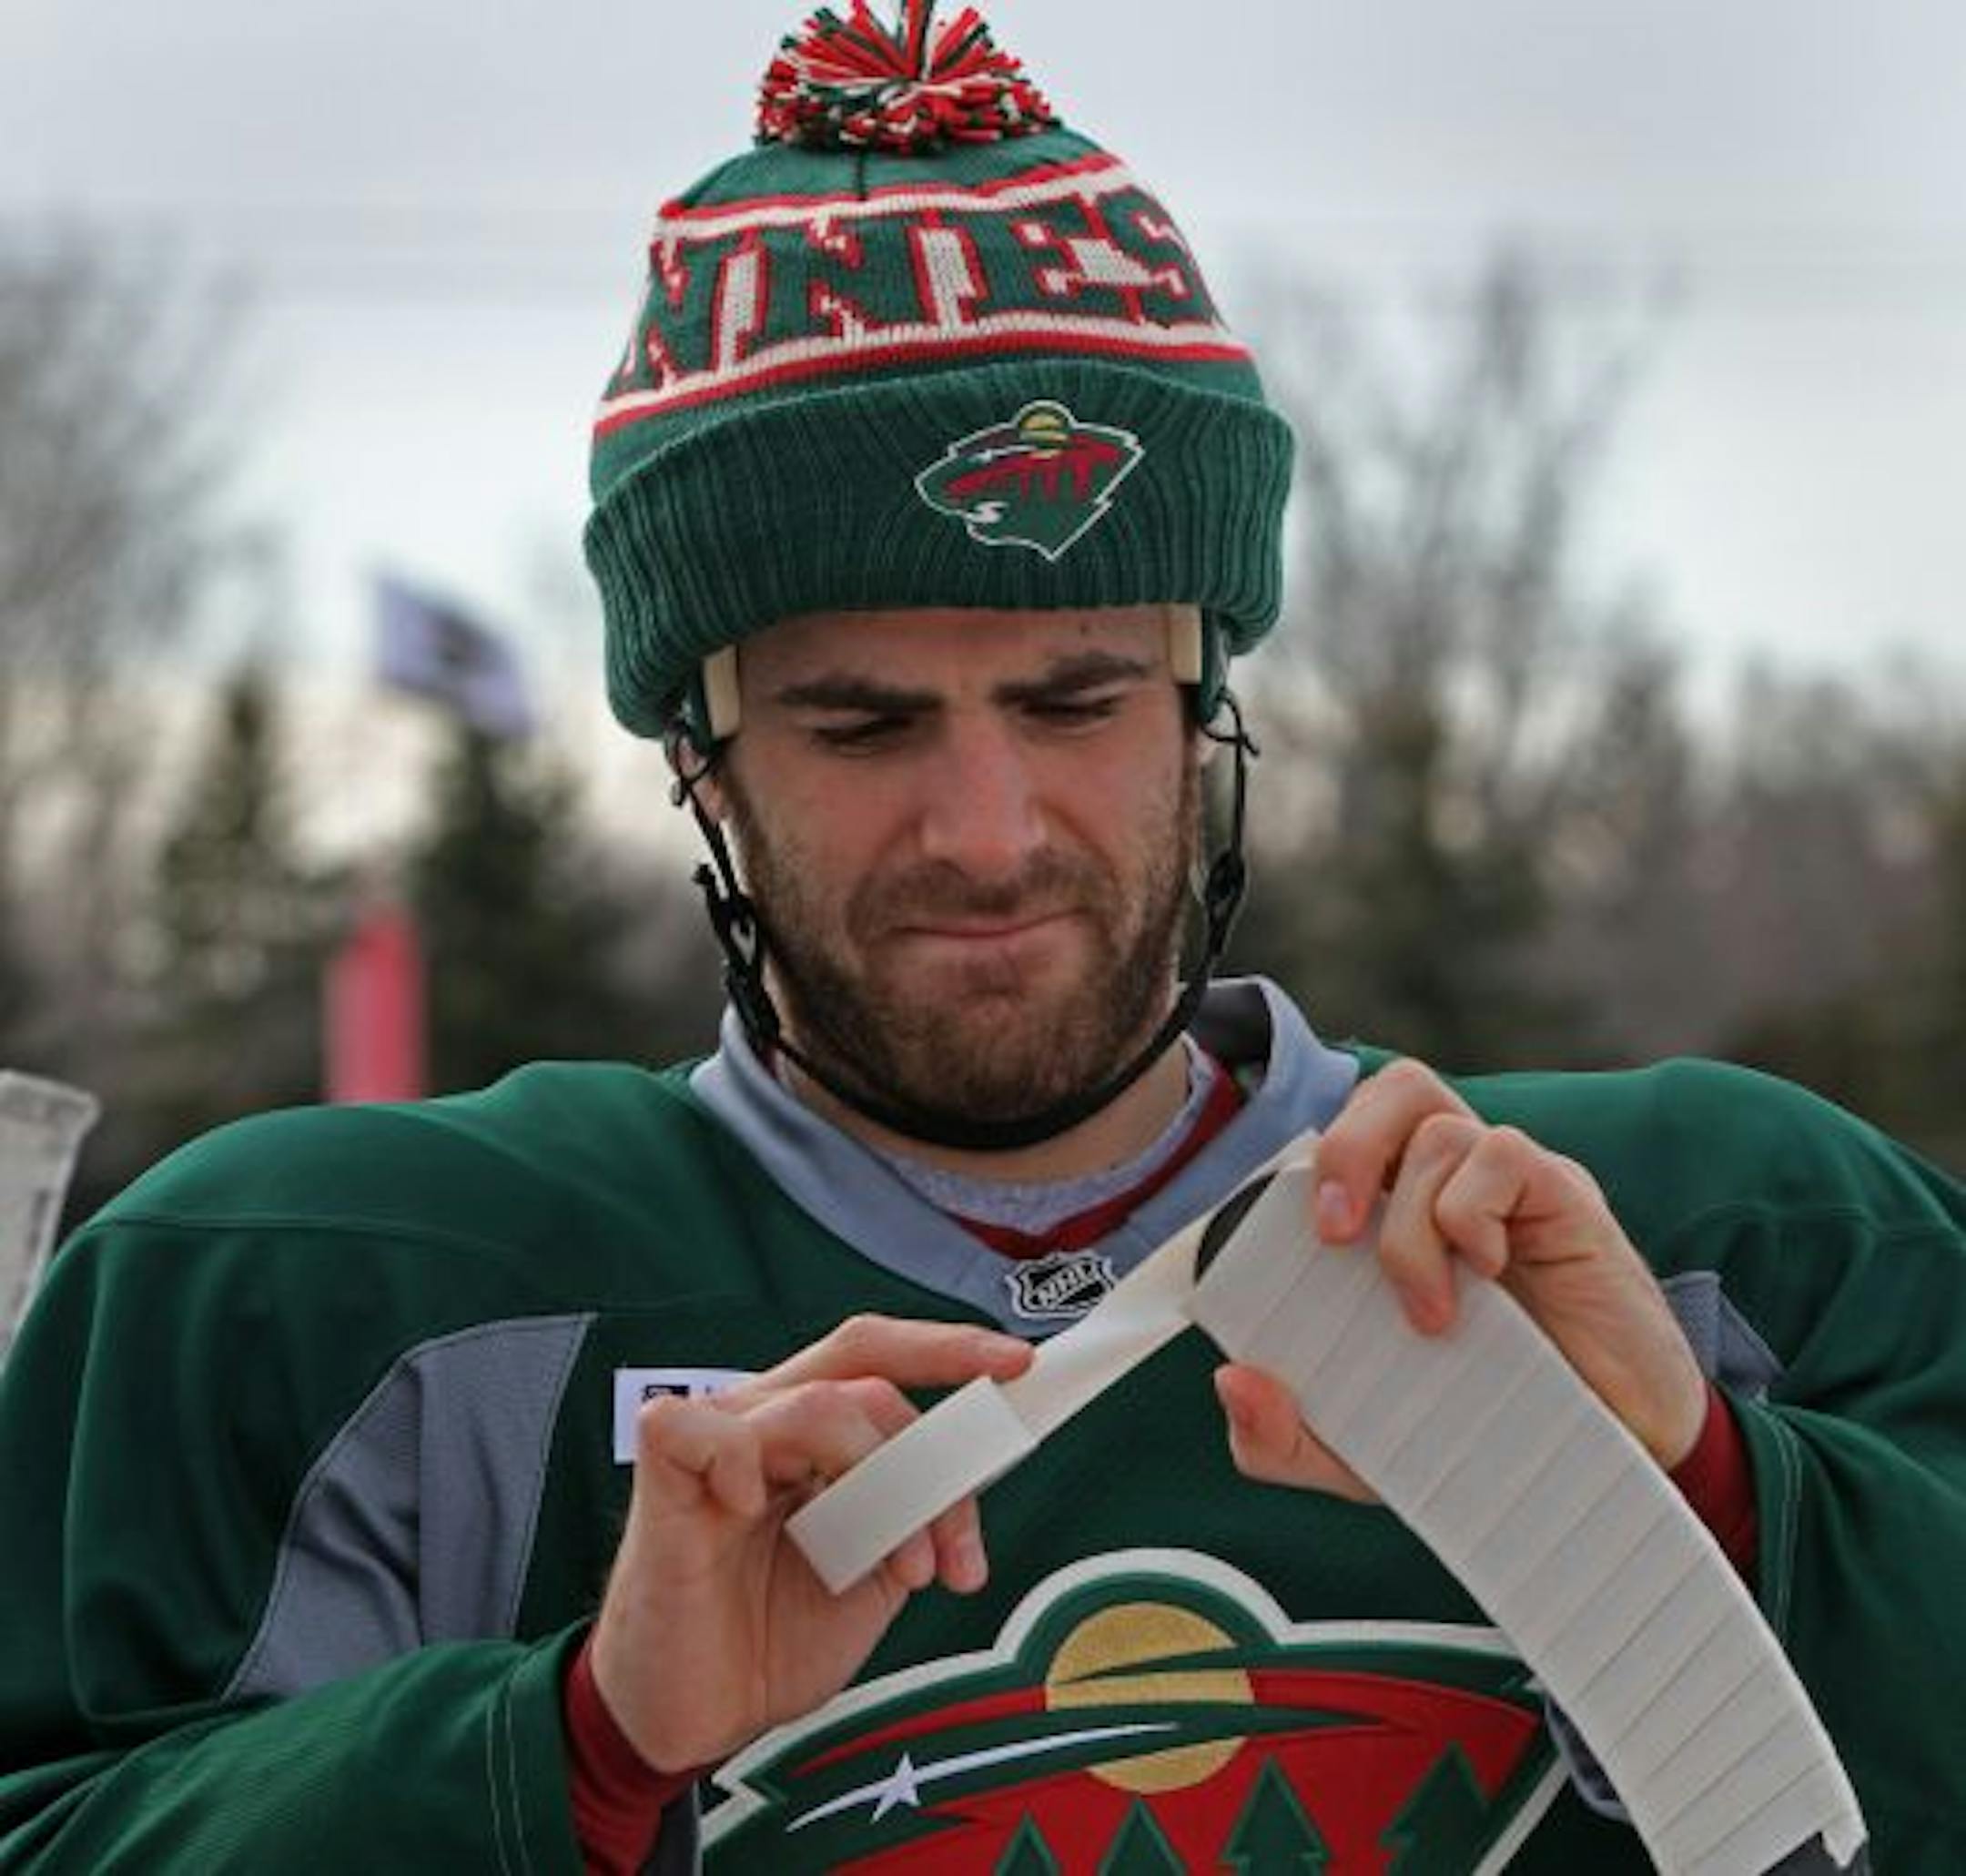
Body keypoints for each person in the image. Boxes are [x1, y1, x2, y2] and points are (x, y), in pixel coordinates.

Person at [3, 5, 1962, 1871]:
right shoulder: (323, 1302)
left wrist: (1717, 1488)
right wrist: (580, 1742)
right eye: (863, 724)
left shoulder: (1737, 1248)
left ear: (1210, 703)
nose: (989, 830)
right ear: (699, 752)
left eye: (1077, 698)